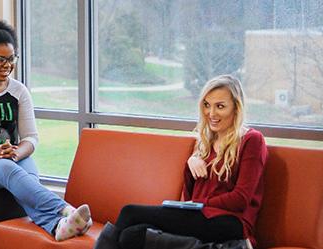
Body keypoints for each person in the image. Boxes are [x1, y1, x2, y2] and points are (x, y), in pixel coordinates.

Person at [0, 18, 92, 241]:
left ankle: (58, 228)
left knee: (29, 179)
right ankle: (66, 211)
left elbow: (31, 138)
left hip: (11, 156)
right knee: (8, 170)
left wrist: (16, 152)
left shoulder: (19, 91)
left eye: (11, 58)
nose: (7, 65)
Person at [94, 75, 267, 249]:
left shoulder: (251, 140)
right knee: (131, 236)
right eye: (207, 105)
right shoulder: (206, 141)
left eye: (220, 106)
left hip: (231, 221)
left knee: (129, 212)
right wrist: (191, 164)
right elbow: (191, 195)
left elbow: (241, 198)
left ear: (236, 108)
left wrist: (201, 204)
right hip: (200, 215)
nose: (211, 113)